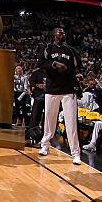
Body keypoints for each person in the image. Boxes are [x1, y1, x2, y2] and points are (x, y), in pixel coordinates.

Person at [38, 27, 82, 165]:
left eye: (64, 32)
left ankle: (76, 154)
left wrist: (76, 74)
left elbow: (78, 65)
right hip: (51, 89)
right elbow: (41, 63)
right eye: (59, 32)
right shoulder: (48, 48)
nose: (62, 33)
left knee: (71, 123)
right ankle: (45, 145)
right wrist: (55, 64)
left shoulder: (71, 50)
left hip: (68, 90)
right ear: (54, 35)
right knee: (49, 120)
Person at [26, 67, 45, 145]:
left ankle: (45, 137)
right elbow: (30, 81)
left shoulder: (52, 72)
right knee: (35, 117)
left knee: (47, 118)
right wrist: (37, 85)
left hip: (49, 98)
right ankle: (32, 136)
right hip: (38, 97)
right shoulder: (37, 73)